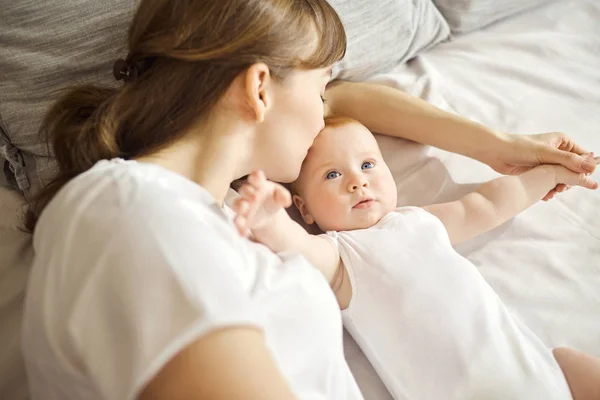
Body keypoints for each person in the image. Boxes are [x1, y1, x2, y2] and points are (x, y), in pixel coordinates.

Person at [20, 0, 598, 399]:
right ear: (260, 87)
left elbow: (357, 106)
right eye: (321, 91)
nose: (327, 115)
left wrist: (501, 147)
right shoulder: (136, 213)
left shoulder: (207, 214)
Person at [231, 116, 600, 400]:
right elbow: (301, 249)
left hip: (537, 371)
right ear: (304, 208)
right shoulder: (341, 256)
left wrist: (550, 173)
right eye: (331, 174)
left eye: (368, 165)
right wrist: (268, 218)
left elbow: (488, 205)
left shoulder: (418, 222)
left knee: (570, 361)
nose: (357, 182)